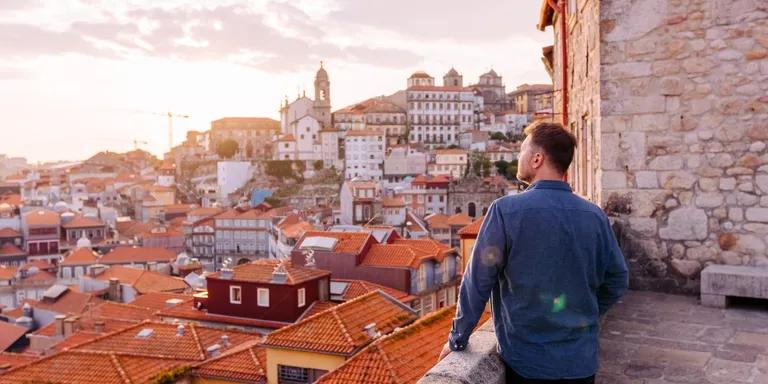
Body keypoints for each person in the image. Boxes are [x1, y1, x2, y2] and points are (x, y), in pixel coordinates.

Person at [439, 122, 629, 383]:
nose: (519, 157)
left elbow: (477, 281)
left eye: (522, 150)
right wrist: (585, 315)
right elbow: (617, 279)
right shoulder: (594, 215)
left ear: (537, 158)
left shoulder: (505, 211)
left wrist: (457, 339)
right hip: (581, 362)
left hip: (527, 362)